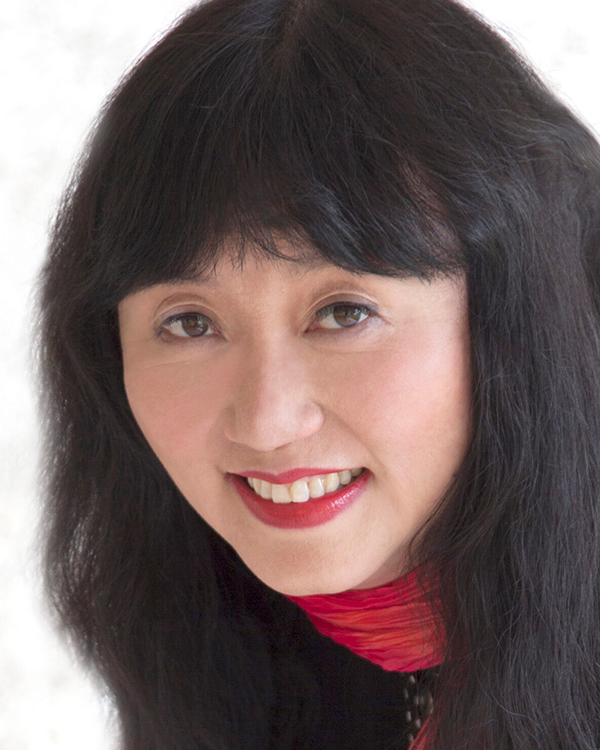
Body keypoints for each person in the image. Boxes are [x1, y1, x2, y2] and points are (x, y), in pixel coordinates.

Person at [36, 0, 600, 748]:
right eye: (189, 323)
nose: (266, 423)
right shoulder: (214, 656)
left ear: (515, 321)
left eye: (342, 313)